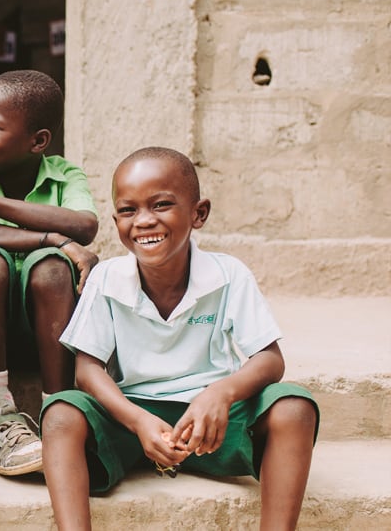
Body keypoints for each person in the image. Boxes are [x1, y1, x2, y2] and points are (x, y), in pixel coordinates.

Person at [40, 147, 319, 530]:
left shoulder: (229, 274)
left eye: (161, 205)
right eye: (128, 210)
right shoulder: (106, 279)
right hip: (130, 419)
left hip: (212, 423)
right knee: (60, 413)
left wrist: (220, 393)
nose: (144, 221)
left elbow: (270, 360)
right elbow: (88, 370)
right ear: (115, 219)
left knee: (294, 407)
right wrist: (138, 421)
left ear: (198, 213)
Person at [0, 70, 98, 476]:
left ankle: (60, 407)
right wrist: (50, 237)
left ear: (38, 141)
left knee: (52, 272)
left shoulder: (65, 174)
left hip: (51, 334)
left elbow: (84, 225)